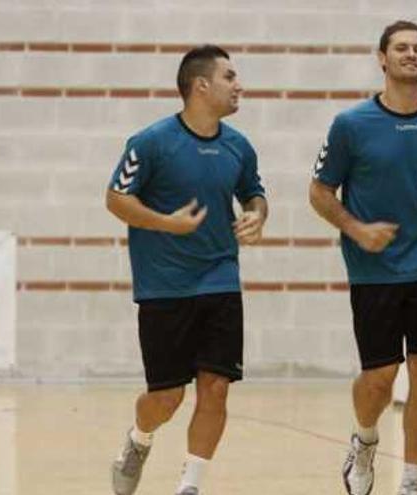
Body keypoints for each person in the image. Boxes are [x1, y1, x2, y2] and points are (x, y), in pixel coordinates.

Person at [308, 20, 417, 495]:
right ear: (382, 58)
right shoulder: (351, 125)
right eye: (401, 48)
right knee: (380, 377)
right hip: (373, 269)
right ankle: (364, 438)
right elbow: (319, 192)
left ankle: (412, 481)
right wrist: (356, 229)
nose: (411, 54)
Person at [105, 44, 267, 495]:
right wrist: (166, 224)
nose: (239, 86)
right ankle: (139, 439)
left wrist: (257, 214)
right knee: (167, 398)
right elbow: (116, 198)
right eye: (230, 77)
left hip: (220, 280)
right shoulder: (150, 142)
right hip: (164, 288)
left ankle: (190, 485)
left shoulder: (239, 146)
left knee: (216, 388)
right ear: (201, 86)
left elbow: (254, 192)